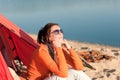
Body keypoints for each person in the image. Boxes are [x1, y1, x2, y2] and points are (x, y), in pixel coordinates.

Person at [27, 23, 91, 80]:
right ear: (48, 37)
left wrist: (69, 49)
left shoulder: (59, 49)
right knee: (65, 75)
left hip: (50, 77)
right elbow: (63, 74)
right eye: (56, 32)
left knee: (76, 72)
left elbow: (79, 67)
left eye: (61, 31)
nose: (60, 33)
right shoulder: (42, 51)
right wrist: (58, 48)